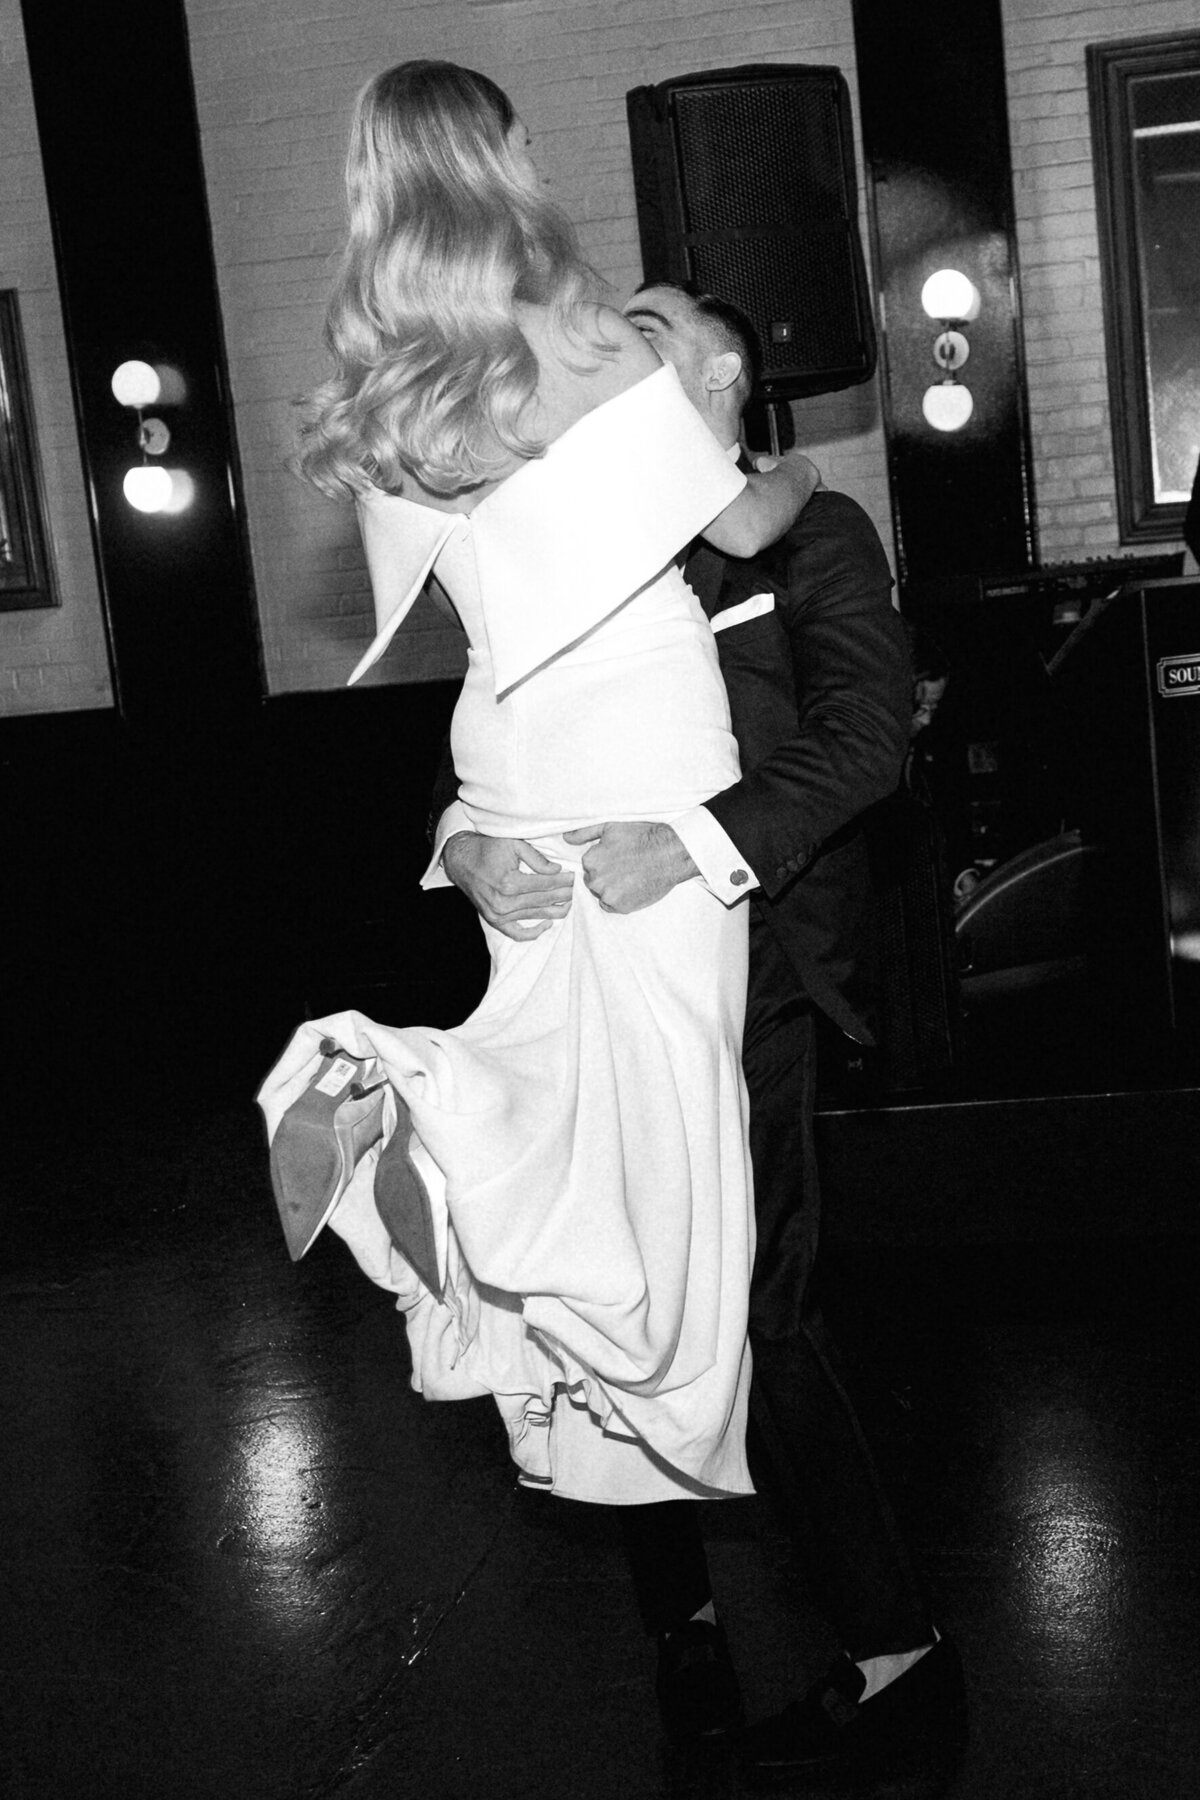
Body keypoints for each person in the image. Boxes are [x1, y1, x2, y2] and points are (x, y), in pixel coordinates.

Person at [259, 66, 817, 1520]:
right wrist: (805, 465)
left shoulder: (390, 387)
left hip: (506, 767)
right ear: (490, 155)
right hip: (645, 749)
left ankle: (427, 1123)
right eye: (521, 135)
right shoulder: (578, 330)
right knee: (671, 1120)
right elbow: (744, 522)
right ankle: (649, 1373)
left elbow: (459, 602)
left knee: (554, 1077)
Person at [437, 283, 966, 1783]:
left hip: (759, 979)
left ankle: (899, 1654)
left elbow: (864, 744)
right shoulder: (578, 531)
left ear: (722, 370)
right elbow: (493, 737)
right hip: (591, 985)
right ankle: (681, 1619)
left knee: (755, 1308)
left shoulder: (815, 531)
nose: (602, 344)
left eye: (644, 326)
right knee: (605, 1288)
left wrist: (692, 843)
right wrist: (462, 849)